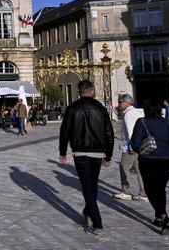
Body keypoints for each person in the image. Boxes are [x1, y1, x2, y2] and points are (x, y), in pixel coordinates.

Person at [59, 80, 114, 238]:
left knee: (87, 185)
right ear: (92, 91)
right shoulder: (100, 108)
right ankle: (91, 212)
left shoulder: (72, 108)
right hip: (97, 152)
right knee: (92, 183)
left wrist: (63, 151)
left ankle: (97, 223)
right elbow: (109, 134)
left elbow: (65, 131)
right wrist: (108, 155)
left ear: (78, 93)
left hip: (80, 151)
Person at [130, 101, 169, 234]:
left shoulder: (142, 122)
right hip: (167, 160)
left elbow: (135, 143)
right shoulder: (167, 123)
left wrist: (139, 149)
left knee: (150, 189)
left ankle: (163, 216)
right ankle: (159, 218)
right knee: (160, 189)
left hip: (149, 160)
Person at [113, 94, 147, 202]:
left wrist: (132, 146)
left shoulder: (128, 114)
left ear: (127, 102)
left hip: (131, 146)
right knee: (139, 169)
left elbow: (131, 130)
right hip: (141, 145)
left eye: (120, 102)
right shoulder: (139, 111)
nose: (119, 104)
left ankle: (125, 191)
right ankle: (144, 193)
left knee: (124, 166)